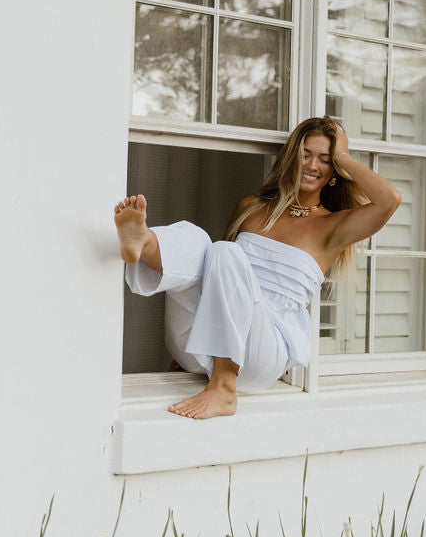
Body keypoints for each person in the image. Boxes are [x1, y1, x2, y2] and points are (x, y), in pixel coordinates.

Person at [115, 116, 401, 421]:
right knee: (205, 245)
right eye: (305, 155)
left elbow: (389, 200)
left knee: (225, 252)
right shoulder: (251, 207)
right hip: (201, 345)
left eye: (325, 159)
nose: (312, 165)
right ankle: (146, 243)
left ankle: (224, 388)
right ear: (291, 157)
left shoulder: (333, 226)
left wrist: (343, 156)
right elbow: (214, 278)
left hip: (260, 356)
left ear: (335, 170)